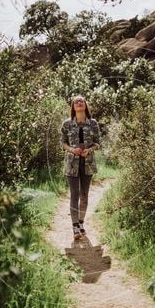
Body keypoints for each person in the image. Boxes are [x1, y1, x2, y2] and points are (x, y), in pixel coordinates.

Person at [60, 95, 100, 240]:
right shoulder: (67, 124)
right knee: (74, 194)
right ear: (73, 106)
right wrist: (72, 149)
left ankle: (82, 223)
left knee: (84, 195)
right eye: (76, 101)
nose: (79, 102)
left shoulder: (93, 123)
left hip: (88, 163)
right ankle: (75, 226)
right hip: (72, 164)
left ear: (85, 105)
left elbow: (98, 143)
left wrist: (89, 150)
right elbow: (62, 143)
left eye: (81, 101)